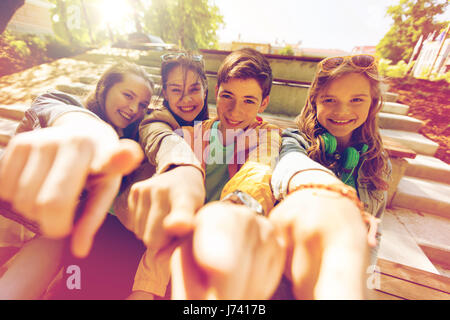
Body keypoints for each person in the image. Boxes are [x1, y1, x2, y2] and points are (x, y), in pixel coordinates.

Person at [130, 48, 286, 300]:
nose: (235, 111)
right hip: (188, 238)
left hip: (233, 237)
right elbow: (177, 212)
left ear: (264, 103)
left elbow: (260, 168)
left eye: (249, 101)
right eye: (228, 96)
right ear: (215, 92)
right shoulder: (194, 133)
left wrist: (236, 206)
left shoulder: (267, 136)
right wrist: (145, 289)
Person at [0, 61, 154, 299]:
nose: (134, 108)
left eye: (142, 105)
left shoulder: (124, 151)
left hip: (47, 241)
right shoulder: (59, 103)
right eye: (128, 95)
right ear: (104, 87)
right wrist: (92, 133)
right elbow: (72, 118)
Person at [269, 54, 391, 299]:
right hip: (286, 275)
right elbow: (291, 163)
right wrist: (327, 193)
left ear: (373, 102)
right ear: (315, 102)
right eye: (330, 100)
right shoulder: (295, 141)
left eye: (356, 99)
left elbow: (374, 232)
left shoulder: (379, 161)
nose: (342, 111)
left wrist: (363, 276)